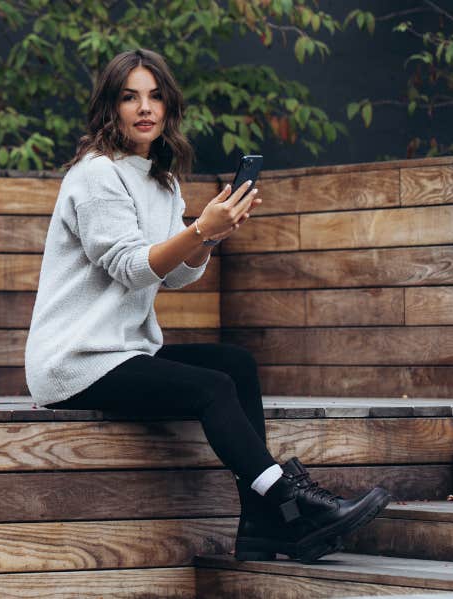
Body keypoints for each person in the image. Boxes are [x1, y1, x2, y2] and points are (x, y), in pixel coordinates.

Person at [24, 48, 391, 563]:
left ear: (170, 108)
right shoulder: (95, 175)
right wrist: (200, 229)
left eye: (155, 96)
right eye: (130, 97)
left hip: (125, 352)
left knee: (234, 364)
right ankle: (288, 499)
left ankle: (262, 525)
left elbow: (173, 275)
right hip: (75, 361)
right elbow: (130, 266)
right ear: (111, 107)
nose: (144, 108)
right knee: (211, 387)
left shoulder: (163, 181)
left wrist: (210, 237)